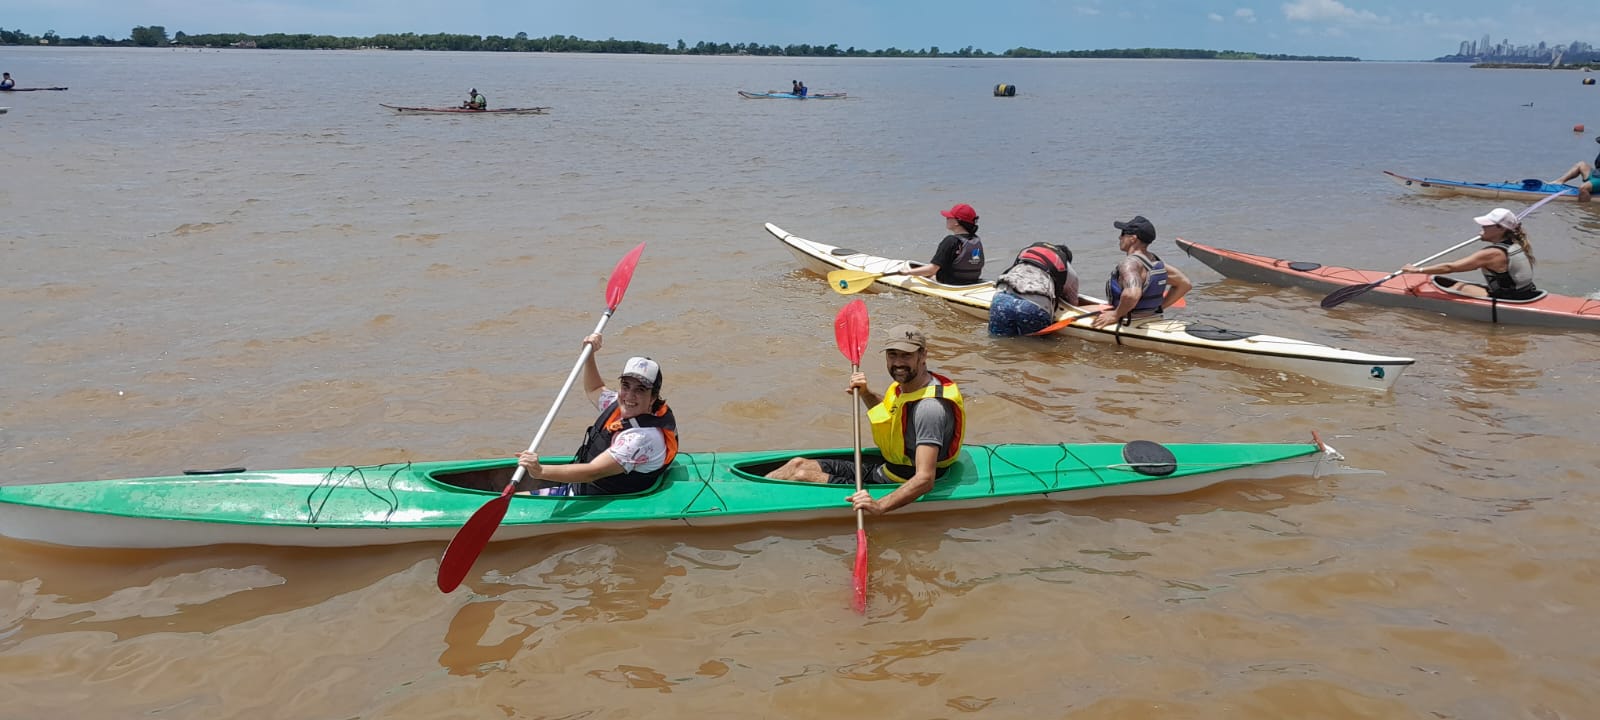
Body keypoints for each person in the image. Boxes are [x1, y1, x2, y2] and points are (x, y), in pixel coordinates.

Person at [765, 324, 965, 515]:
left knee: (803, 476)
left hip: (899, 481)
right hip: (887, 469)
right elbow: (892, 413)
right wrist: (865, 393)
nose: (898, 363)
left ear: (923, 355)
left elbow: (925, 479)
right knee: (797, 464)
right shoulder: (907, 386)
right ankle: (756, 492)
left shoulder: (929, 409)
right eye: (892, 355)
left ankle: (760, 506)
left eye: (906, 355)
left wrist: (879, 505)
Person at [514, 333, 679, 496]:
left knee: (517, 500)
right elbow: (594, 389)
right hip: (590, 483)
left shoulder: (640, 439)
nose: (629, 395)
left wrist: (540, 471)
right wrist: (589, 354)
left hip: (596, 492)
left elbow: (592, 472)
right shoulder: (621, 404)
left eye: (640, 390)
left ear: (653, 398)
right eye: (626, 386)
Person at [1400, 207, 1540, 300]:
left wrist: (1417, 270)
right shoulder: (1516, 244)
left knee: (1456, 287)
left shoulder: (1492, 253)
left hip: (1509, 298)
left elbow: (1451, 268)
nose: (1482, 227)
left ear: (1500, 229)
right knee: (1458, 286)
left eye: (1486, 225)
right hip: (1524, 293)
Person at [1090, 215, 1193, 328]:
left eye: (1123, 233)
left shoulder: (1129, 264)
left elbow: (1132, 295)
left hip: (1129, 321)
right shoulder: (1155, 262)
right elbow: (1185, 284)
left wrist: (1115, 315)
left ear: (1133, 238)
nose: (1120, 237)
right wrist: (1159, 308)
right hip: (1153, 317)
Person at [988, 242, 1080, 336]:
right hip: (1033, 306)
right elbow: (1073, 305)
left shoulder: (1027, 254)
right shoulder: (1068, 269)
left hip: (1002, 299)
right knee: (1036, 348)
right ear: (1067, 260)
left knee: (998, 342)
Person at [902, 203, 985, 285]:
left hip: (952, 282)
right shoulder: (976, 239)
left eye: (949, 217)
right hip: (972, 280)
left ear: (957, 222)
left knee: (928, 274)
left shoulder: (950, 241)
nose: (946, 218)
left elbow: (932, 269)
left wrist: (908, 272)